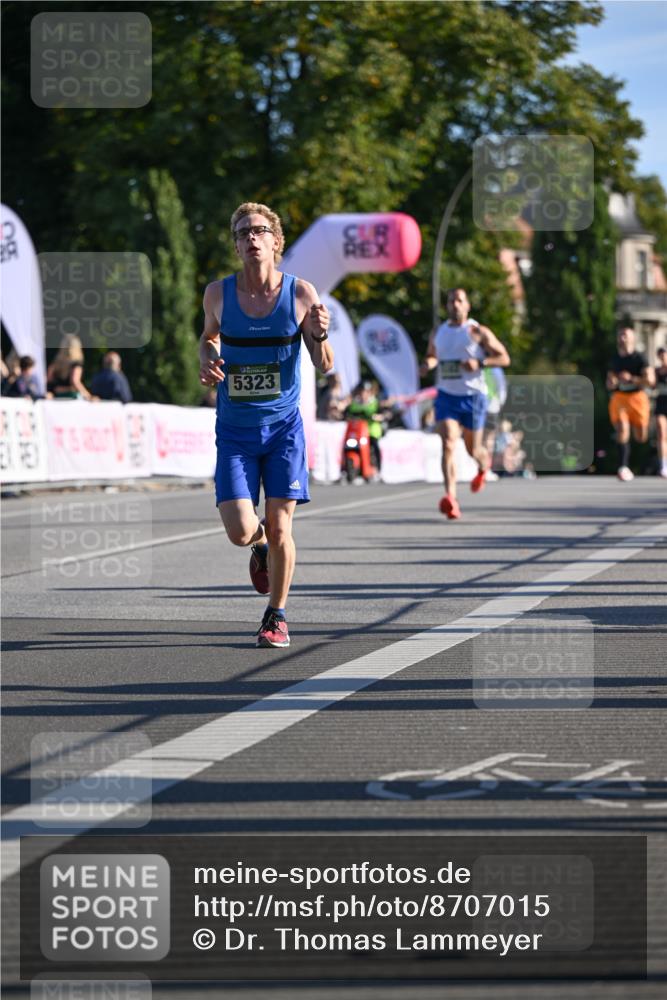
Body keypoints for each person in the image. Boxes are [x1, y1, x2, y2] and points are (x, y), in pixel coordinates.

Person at [199, 201, 334, 648]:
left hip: (283, 430)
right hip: (235, 430)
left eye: (258, 230)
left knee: (281, 527)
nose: (251, 237)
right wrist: (207, 360)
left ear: (276, 242)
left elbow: (324, 364)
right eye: (242, 233)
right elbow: (209, 337)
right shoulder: (218, 294)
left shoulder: (300, 294)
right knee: (241, 531)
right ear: (237, 246)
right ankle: (258, 546)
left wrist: (318, 334)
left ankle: (276, 615)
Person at [420, 287, 510, 519]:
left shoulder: (477, 331)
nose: (455, 305)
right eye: (451, 301)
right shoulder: (438, 332)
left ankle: (483, 465)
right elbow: (432, 355)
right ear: (447, 306)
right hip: (447, 396)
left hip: (473, 397)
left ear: (467, 305)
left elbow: (504, 357)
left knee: (473, 450)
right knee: (448, 442)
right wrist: (428, 364)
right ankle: (451, 497)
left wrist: (480, 363)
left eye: (459, 301)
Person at [606, 327, 655, 481]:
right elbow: (609, 383)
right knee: (622, 429)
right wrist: (612, 382)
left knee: (641, 437)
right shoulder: (615, 359)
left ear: (632, 338)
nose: (622, 338)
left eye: (625, 335)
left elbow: (651, 381)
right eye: (620, 335)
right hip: (620, 397)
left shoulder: (640, 358)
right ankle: (623, 467)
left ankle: (635, 462)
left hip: (638, 398)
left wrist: (632, 379)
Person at [345, 380, 387, 471]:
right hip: (357, 431)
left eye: (366, 391)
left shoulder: (374, 403)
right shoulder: (355, 403)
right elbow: (347, 414)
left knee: (374, 446)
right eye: (362, 391)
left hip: (371, 431)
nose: (364, 394)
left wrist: (376, 417)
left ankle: (378, 468)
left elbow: (383, 415)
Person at [47, 334, 93, 400]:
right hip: (70, 397)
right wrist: (88, 396)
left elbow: (49, 380)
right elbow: (75, 381)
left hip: (56, 396)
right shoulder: (76, 364)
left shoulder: (56, 363)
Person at [654, 346, 667, 479]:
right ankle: (663, 466)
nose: (663, 357)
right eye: (661, 355)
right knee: (662, 434)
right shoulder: (656, 371)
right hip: (661, 402)